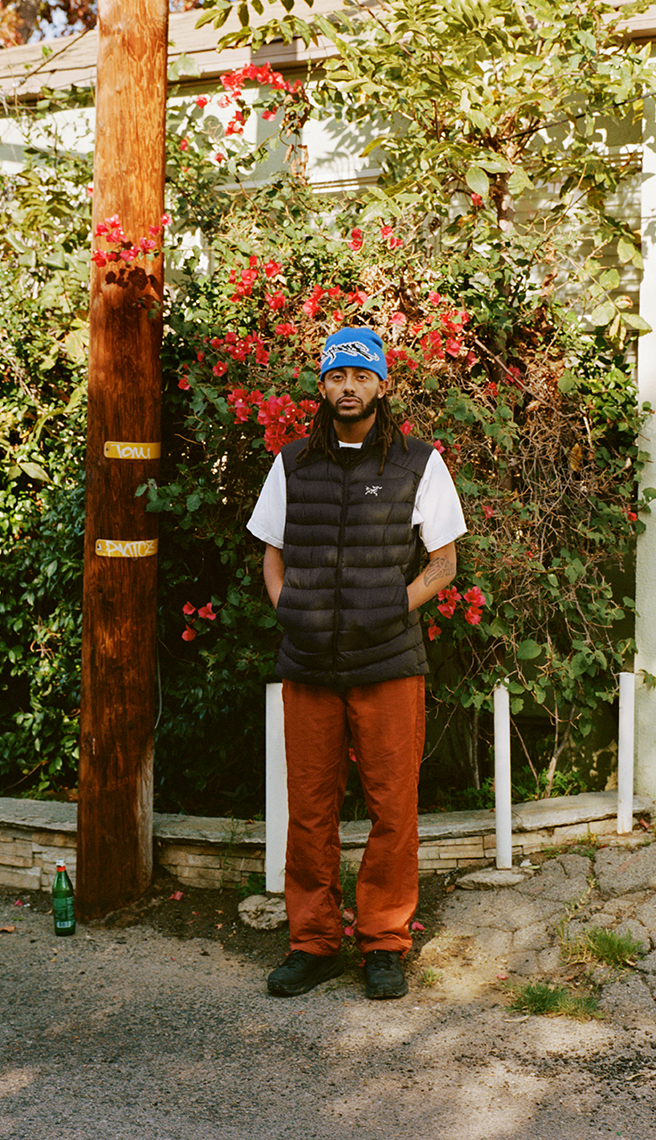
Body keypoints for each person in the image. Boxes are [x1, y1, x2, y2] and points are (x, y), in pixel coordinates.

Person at [246, 326, 466, 1000]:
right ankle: (313, 943)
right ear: (322, 386)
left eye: (361, 377)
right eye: (337, 377)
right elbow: (271, 552)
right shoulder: (291, 464)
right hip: (308, 662)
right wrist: (290, 609)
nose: (348, 388)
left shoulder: (417, 463)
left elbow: (445, 562)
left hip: (389, 664)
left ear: (381, 385)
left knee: (392, 808)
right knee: (309, 810)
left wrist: (390, 608)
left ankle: (383, 942)